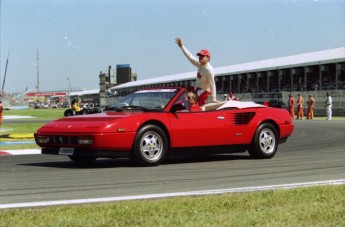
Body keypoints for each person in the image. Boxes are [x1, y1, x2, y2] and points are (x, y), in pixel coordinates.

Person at [175, 37, 217, 106]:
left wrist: (214, 99)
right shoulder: (200, 64)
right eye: (199, 56)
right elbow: (190, 57)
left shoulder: (209, 70)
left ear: (208, 58)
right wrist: (182, 46)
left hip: (202, 94)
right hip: (196, 91)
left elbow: (212, 84)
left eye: (202, 56)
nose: (200, 57)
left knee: (194, 107)